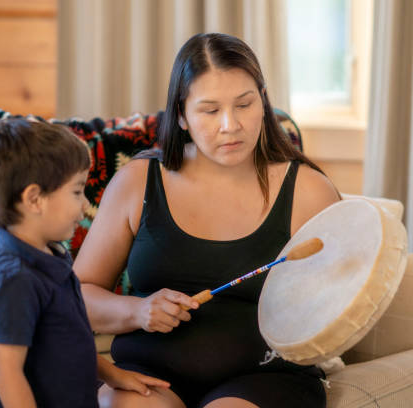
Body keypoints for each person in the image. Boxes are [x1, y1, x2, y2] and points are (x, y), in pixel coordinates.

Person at [75, 32, 340, 408]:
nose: (230, 125)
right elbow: (76, 296)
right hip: (148, 374)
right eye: (210, 110)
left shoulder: (308, 190)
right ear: (181, 115)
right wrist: (138, 311)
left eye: (245, 104)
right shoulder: (138, 181)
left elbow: (342, 301)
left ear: (263, 103)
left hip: (266, 377)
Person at [0, 119, 169, 407]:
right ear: (34, 199)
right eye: (76, 191)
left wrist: (114, 375)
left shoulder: (53, 256)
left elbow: (70, 337)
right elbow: (6, 371)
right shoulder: (15, 278)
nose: (85, 204)